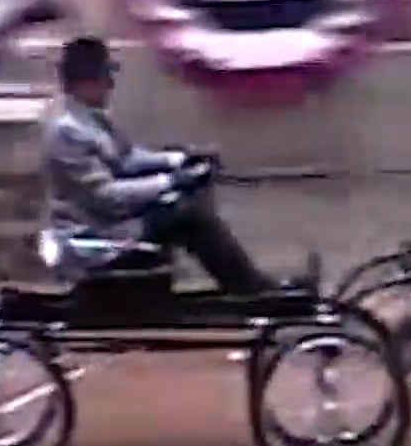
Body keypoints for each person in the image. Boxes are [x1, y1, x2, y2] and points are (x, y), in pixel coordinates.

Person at [42, 35, 296, 294]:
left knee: (188, 204)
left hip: (109, 221)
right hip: (96, 233)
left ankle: (246, 284)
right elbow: (105, 197)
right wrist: (170, 182)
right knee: (188, 215)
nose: (110, 84)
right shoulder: (68, 129)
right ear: (84, 81)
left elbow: (127, 158)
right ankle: (252, 290)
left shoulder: (88, 118)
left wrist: (180, 160)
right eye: (105, 77)